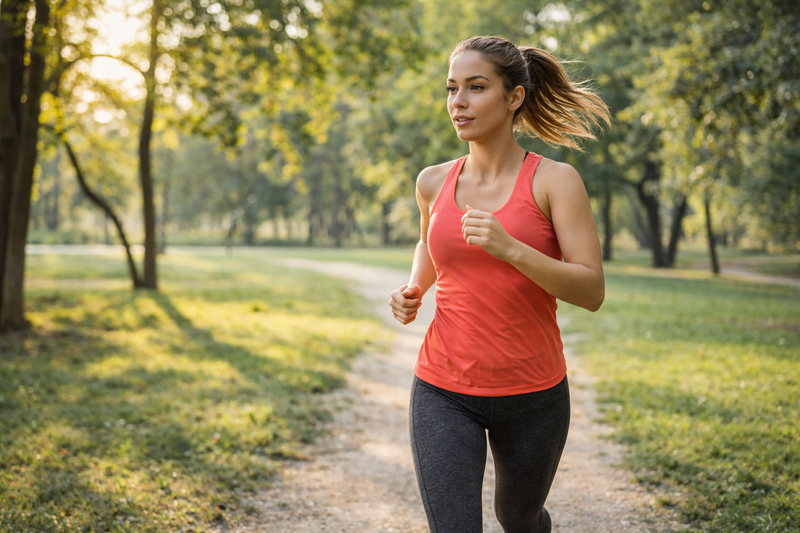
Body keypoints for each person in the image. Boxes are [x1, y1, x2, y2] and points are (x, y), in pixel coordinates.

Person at [388, 35, 610, 533]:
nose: (458, 102)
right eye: (451, 88)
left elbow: (591, 290)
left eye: (476, 87)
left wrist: (511, 248)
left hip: (533, 393)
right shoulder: (432, 181)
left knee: (519, 518)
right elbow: (430, 243)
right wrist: (414, 289)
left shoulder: (556, 181)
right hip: (443, 388)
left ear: (514, 97)